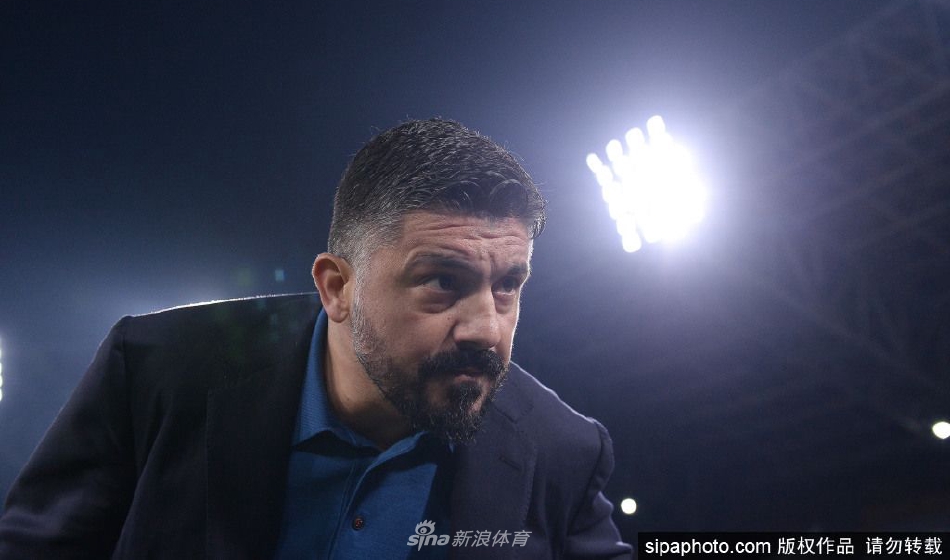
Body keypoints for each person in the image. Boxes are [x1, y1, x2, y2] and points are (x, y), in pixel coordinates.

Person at [0, 119, 632, 559]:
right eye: (443, 281)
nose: (487, 328)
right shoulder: (154, 372)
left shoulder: (564, 452)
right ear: (337, 288)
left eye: (508, 285)